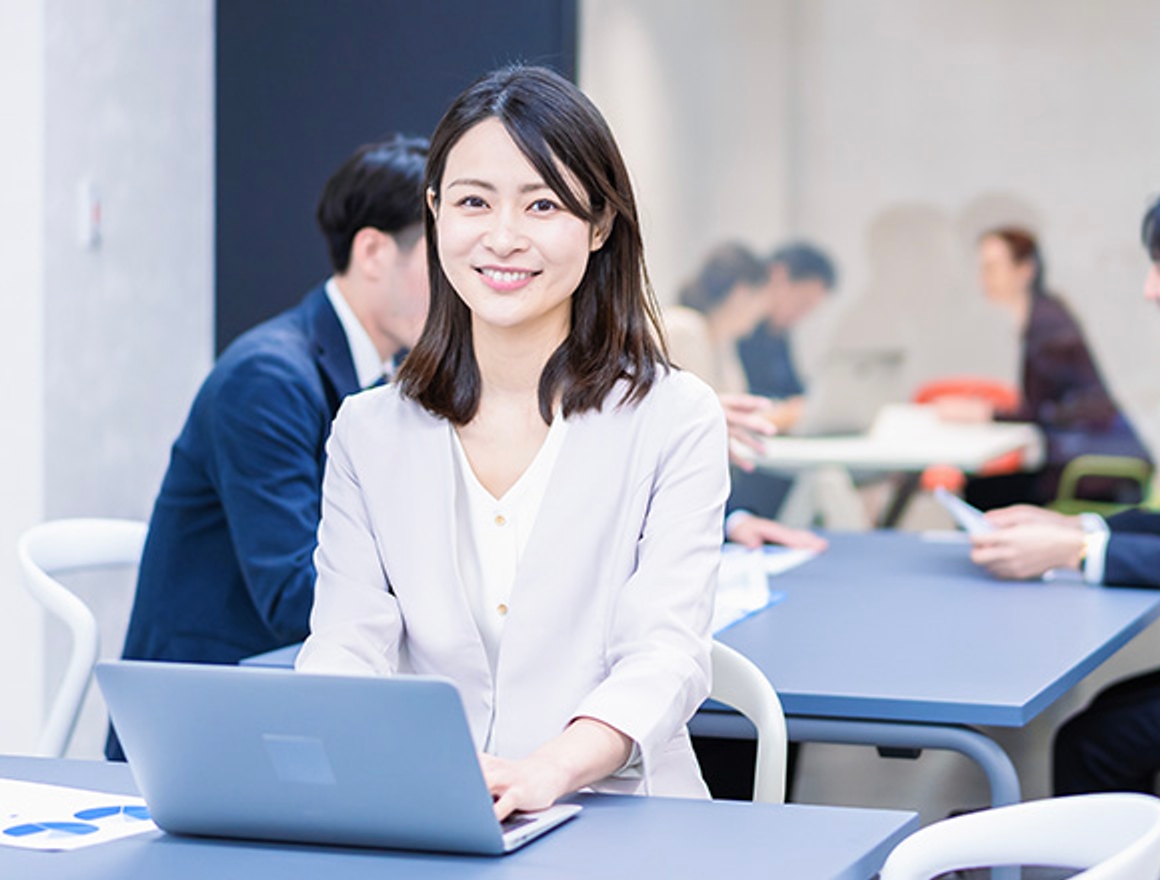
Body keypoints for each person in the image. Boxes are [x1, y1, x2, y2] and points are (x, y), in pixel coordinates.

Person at [296, 66, 728, 817]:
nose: (503, 237)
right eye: (472, 202)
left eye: (543, 204)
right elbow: (345, 642)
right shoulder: (369, 432)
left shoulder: (675, 417)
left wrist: (546, 772)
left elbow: (665, 654)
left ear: (599, 227)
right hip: (425, 811)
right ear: (433, 214)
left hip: (619, 819)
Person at [109, 136, 429, 760]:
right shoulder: (269, 378)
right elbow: (292, 596)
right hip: (205, 721)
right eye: (441, 263)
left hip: (284, 697)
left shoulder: (384, 378)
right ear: (372, 251)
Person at [970, 196, 1160, 795]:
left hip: (1096, 466)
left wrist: (1074, 550)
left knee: (1092, 741)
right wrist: (1082, 533)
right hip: (1090, 474)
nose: (1150, 289)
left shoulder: (1047, 321)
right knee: (1103, 720)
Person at [964, 226, 1151, 510]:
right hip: (1088, 458)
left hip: (1097, 470)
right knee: (984, 488)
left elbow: (1041, 413)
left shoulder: (1048, 327)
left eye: (992, 268)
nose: (983, 279)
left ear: (1025, 269)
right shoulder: (1043, 316)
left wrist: (985, 413)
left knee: (982, 492)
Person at [664, 244, 827, 550]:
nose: (765, 311)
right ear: (742, 294)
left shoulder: (721, 339)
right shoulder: (684, 331)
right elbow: (694, 423)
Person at [736, 241, 837, 431]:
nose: (801, 314)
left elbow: (793, 390)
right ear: (778, 276)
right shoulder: (740, 331)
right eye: (801, 302)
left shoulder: (778, 333)